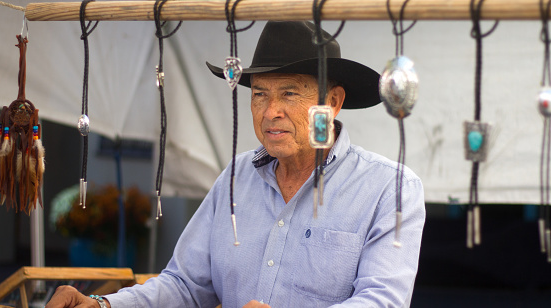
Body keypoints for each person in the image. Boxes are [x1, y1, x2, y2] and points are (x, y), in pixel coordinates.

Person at [46, 21, 425, 308]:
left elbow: (382, 302)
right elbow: (184, 284)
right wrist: (103, 303)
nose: (270, 111)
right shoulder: (235, 177)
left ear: (334, 101)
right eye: (259, 94)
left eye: (289, 93)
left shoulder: (389, 189)